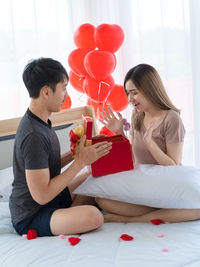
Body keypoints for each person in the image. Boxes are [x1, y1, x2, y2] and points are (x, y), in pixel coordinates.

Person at [9, 58, 112, 237]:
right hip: (32, 215)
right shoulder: (33, 135)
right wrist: (80, 162)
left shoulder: (41, 122)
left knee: (94, 178)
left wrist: (77, 154)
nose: (65, 95)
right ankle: (68, 215)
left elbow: (48, 165)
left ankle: (67, 214)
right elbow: (41, 196)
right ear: (47, 92)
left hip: (50, 199)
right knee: (94, 217)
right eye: (63, 88)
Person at [96, 63, 200, 223]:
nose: (130, 99)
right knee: (102, 200)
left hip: (166, 184)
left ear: (149, 89)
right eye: (128, 93)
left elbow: (173, 166)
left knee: (197, 209)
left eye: (134, 93)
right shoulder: (137, 116)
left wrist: (150, 143)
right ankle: (160, 210)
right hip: (143, 185)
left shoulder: (171, 119)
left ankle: (134, 219)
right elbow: (131, 159)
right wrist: (119, 134)